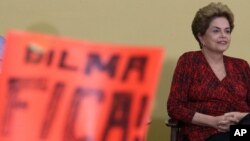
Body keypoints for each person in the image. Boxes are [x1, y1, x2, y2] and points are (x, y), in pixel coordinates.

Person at [167, 2, 250, 141]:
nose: (223, 35)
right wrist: (213, 121)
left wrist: (240, 117)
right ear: (201, 37)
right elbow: (175, 107)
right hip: (207, 133)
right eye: (216, 30)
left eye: (227, 31)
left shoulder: (241, 66)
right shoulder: (189, 61)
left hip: (239, 131)